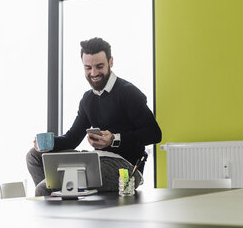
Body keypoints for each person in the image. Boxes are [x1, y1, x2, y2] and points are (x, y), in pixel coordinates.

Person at [26, 37, 162, 196]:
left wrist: (114, 139)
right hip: (95, 160)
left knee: (44, 187)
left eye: (99, 66)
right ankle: (56, 200)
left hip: (124, 167)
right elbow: (72, 139)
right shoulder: (88, 99)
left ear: (110, 62)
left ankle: (52, 198)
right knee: (34, 156)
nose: (94, 73)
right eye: (88, 67)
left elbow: (154, 133)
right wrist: (47, 144)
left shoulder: (128, 92)